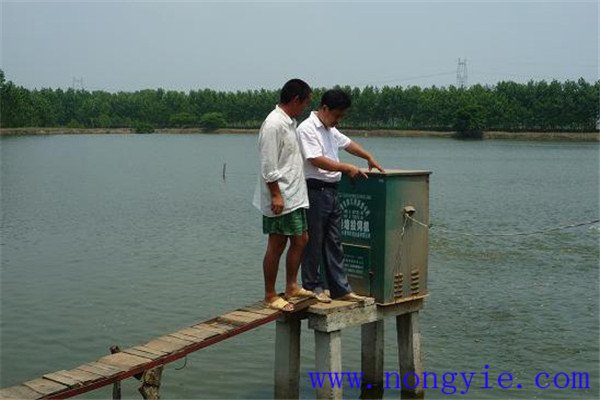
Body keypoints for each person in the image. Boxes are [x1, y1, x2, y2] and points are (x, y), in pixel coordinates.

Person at [296, 89, 385, 303]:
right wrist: (346, 167)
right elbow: (315, 159)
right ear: (324, 108)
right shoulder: (307, 128)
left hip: (332, 191)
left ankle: (340, 289)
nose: (338, 120)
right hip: (315, 190)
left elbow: (347, 144)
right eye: (337, 115)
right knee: (314, 241)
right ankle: (312, 286)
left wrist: (368, 156)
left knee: (334, 241)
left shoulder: (330, 129)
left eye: (342, 116)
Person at [253, 79, 316, 312]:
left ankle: (291, 286)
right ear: (296, 100)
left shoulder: (290, 122)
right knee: (277, 244)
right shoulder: (273, 124)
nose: (306, 107)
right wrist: (276, 195)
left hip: (296, 193)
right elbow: (268, 164)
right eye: (306, 102)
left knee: (301, 240)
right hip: (280, 195)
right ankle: (270, 294)